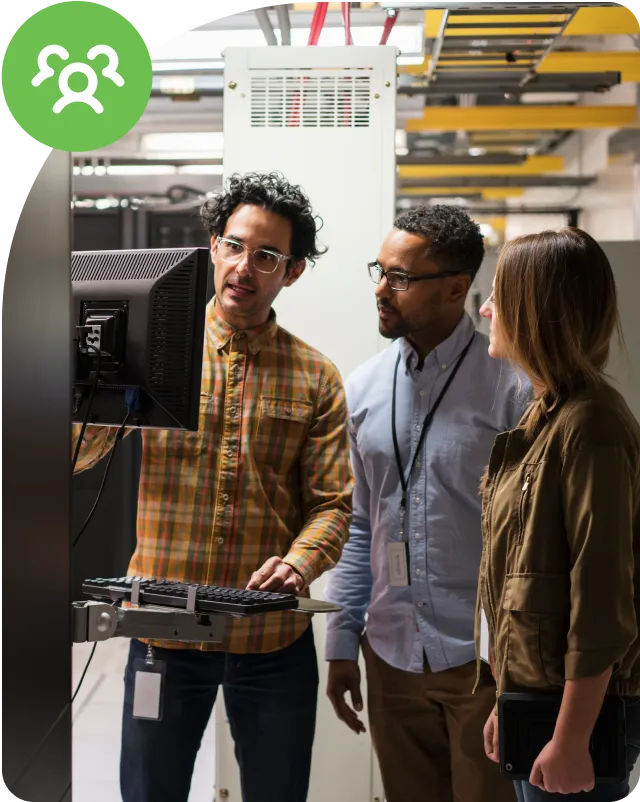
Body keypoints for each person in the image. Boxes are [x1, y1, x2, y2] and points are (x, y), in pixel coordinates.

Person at [73, 172, 353, 802]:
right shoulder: (156, 351)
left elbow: (333, 505)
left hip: (271, 640)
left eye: (267, 256)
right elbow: (78, 458)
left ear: (293, 271)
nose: (244, 267)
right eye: (233, 246)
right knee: (150, 793)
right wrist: (88, 381)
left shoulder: (317, 376)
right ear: (213, 247)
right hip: (163, 632)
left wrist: (300, 563)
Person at [324, 205, 530, 802]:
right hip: (390, 655)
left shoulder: (513, 388)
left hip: (485, 664)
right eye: (380, 272)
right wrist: (342, 643)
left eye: (401, 278)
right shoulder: (362, 388)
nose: (381, 290)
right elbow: (363, 525)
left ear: (456, 289)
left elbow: (530, 538)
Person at [478, 227, 640, 802]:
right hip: (539, 702)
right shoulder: (546, 416)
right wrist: (508, 700)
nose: (486, 308)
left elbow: (600, 601)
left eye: (500, 294)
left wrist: (571, 738)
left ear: (536, 311)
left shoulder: (591, 424)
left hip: (574, 717)